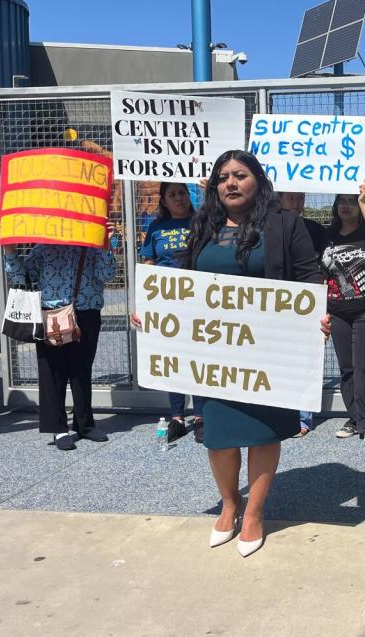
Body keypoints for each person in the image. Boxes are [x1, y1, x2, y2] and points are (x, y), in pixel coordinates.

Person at [175, 149, 327, 556]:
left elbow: (310, 278)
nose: (230, 183)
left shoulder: (284, 224)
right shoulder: (202, 225)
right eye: (222, 176)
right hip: (213, 352)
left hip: (267, 353)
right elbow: (183, 280)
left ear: (257, 179)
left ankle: (255, 513)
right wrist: (157, 314)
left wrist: (318, 317)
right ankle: (229, 504)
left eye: (240, 175)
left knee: (261, 431)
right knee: (219, 435)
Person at [2, 227, 118, 451]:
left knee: (82, 371)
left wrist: (105, 243)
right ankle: (58, 428)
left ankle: (85, 424)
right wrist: (10, 248)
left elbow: (108, 274)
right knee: (52, 373)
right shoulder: (44, 247)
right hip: (51, 315)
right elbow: (23, 277)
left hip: (86, 313)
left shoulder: (92, 244)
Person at [321, 182, 365, 445]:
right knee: (346, 368)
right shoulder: (328, 236)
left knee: (362, 366)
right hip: (337, 311)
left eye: (350, 201)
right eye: (342, 201)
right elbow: (322, 273)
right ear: (336, 206)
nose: (345, 206)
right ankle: (354, 417)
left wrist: (364, 202)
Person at [137, 182, 202, 444]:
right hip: (167, 304)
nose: (179, 198)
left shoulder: (202, 223)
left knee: (198, 358)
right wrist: (142, 304)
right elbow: (148, 265)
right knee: (173, 359)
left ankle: (200, 415)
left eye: (183, 193)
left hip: (199, 302)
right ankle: (177, 416)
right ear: (164, 200)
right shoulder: (156, 227)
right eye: (173, 194)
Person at [276, 191, 327, 437]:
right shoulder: (270, 228)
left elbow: (326, 263)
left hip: (308, 304)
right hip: (279, 304)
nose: (297, 203)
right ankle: (279, 413)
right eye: (291, 198)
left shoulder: (315, 229)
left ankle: (303, 419)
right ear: (279, 199)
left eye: (301, 198)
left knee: (307, 359)